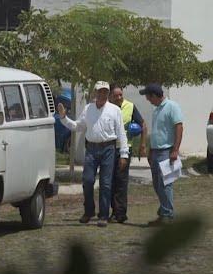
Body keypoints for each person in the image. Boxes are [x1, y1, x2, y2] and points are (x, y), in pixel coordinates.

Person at [58, 81, 129, 227]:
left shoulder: (115, 110)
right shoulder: (88, 109)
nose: (102, 94)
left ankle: (103, 215)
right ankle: (89, 211)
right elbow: (78, 126)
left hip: (109, 148)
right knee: (88, 180)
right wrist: (64, 118)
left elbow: (121, 133)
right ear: (95, 93)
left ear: (108, 94)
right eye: (100, 91)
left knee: (106, 183)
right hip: (91, 149)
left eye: (105, 92)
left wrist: (124, 154)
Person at [139, 83, 184, 227]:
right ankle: (164, 211)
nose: (147, 99)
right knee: (157, 184)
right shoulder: (157, 109)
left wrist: (175, 149)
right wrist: (151, 150)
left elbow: (179, 126)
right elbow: (158, 132)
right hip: (156, 152)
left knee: (166, 184)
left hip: (167, 151)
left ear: (154, 95)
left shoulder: (172, 106)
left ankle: (167, 215)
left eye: (148, 96)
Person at [108, 84, 148, 223]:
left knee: (121, 180)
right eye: (116, 95)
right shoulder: (107, 108)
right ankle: (113, 210)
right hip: (108, 149)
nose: (119, 97)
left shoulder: (130, 106)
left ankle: (120, 213)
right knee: (110, 180)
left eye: (121, 95)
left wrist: (142, 145)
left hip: (125, 149)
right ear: (110, 96)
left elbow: (143, 125)